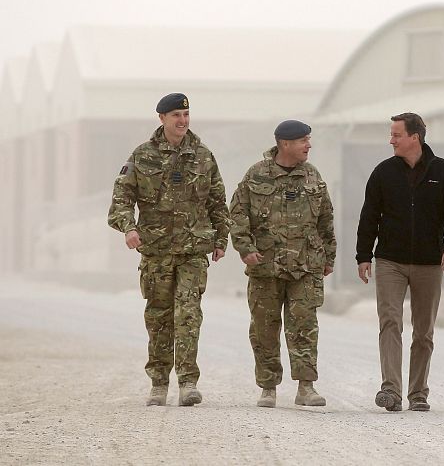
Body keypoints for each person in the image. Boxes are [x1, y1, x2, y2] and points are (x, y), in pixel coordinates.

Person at [108, 93, 230, 407]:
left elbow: (218, 201)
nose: (182, 121)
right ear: (161, 118)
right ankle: (159, 383)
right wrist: (129, 228)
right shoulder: (142, 155)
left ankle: (188, 382)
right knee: (159, 317)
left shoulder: (203, 155)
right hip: (156, 251)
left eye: (186, 115)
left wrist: (221, 239)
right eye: (176, 115)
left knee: (188, 315)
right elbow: (121, 198)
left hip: (193, 251)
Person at [356, 112, 444, 412]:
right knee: (390, 322)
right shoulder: (383, 173)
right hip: (389, 261)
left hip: (429, 263)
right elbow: (369, 216)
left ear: (414, 137)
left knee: (423, 331)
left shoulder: (442, 171)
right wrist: (363, 255)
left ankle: (418, 393)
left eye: (396, 135)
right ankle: (390, 390)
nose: (391, 140)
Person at [229, 120, 336, 408]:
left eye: (308, 140)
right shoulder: (256, 175)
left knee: (304, 326)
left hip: (306, 265)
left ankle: (306, 387)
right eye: (303, 141)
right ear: (284, 144)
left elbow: (326, 219)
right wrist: (245, 248)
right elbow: (237, 214)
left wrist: (329, 257)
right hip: (266, 264)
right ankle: (268, 387)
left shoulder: (313, 176)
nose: (308, 145)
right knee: (264, 327)